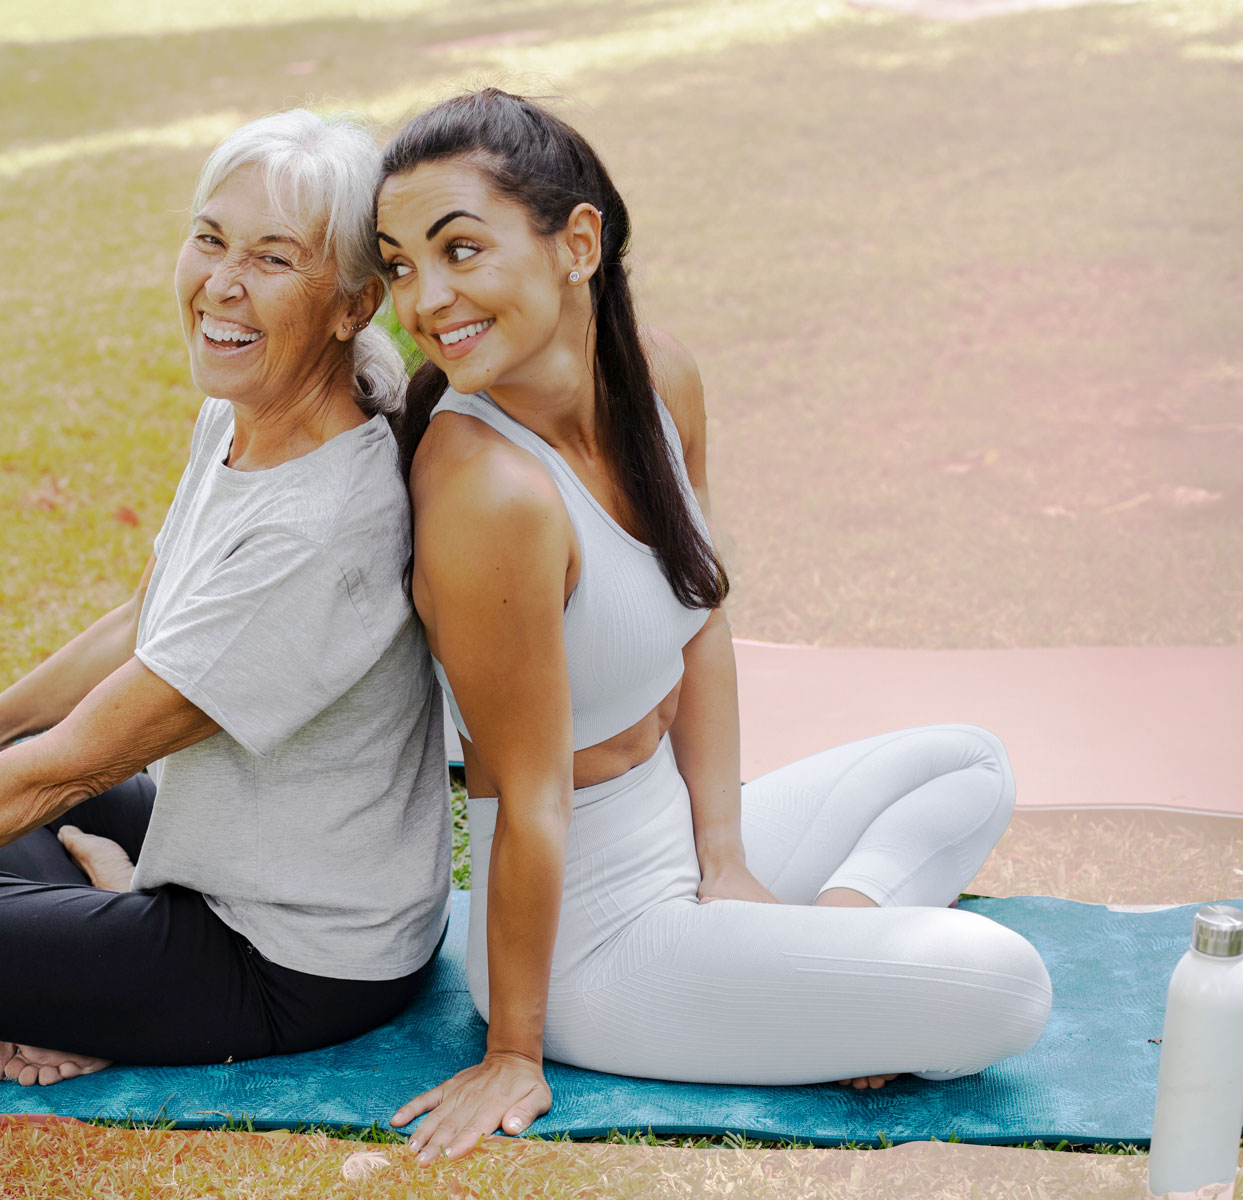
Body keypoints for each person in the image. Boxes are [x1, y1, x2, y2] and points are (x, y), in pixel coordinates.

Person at [372, 89, 1052, 1162]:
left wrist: (724, 852)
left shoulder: (658, 376)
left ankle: (821, 947)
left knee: (970, 765)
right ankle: (832, 975)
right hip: (588, 939)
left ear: (577, 243)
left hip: (679, 834)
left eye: (460, 250)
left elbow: (701, 618)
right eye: (400, 264)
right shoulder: (485, 488)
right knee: (1006, 985)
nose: (424, 299)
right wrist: (515, 1048)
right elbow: (530, 791)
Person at [0, 109, 451, 1085]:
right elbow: (147, 625)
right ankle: (118, 936)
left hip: (294, 957)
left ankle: (122, 983)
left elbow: (69, 769)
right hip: (224, 859)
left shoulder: (320, 525)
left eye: (273, 259)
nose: (222, 285)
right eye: (209, 239)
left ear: (353, 304)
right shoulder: (262, 401)